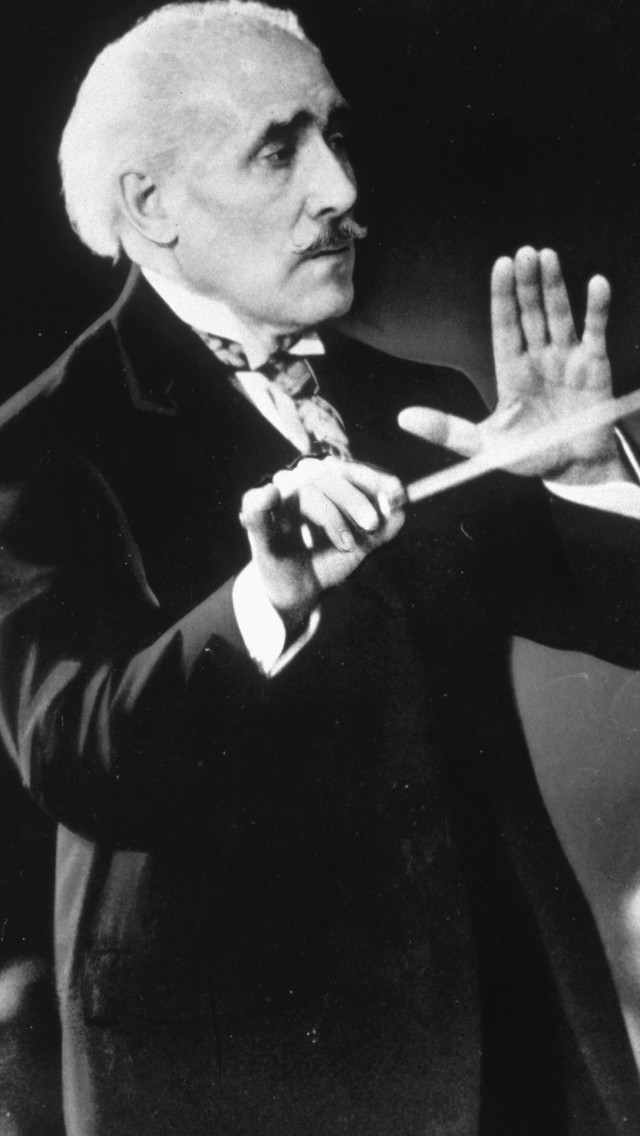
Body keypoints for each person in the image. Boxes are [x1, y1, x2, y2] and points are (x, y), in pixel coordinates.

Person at [1, 2, 640, 1133]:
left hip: (511, 1051)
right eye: (277, 149)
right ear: (150, 204)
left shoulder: (423, 404)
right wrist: (267, 601)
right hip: (242, 1079)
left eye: (335, 135)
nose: (340, 188)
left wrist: (590, 476)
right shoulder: (45, 443)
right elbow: (73, 753)